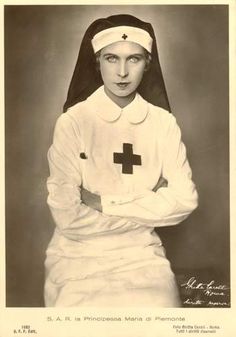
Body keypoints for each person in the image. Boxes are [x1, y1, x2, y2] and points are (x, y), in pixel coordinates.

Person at [44, 14, 198, 307]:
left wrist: (103, 202)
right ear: (97, 62)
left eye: (135, 59)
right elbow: (66, 216)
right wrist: (147, 207)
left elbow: (185, 200)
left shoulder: (164, 123)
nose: (123, 72)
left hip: (143, 256)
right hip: (76, 258)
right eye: (112, 59)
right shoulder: (73, 122)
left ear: (148, 64)